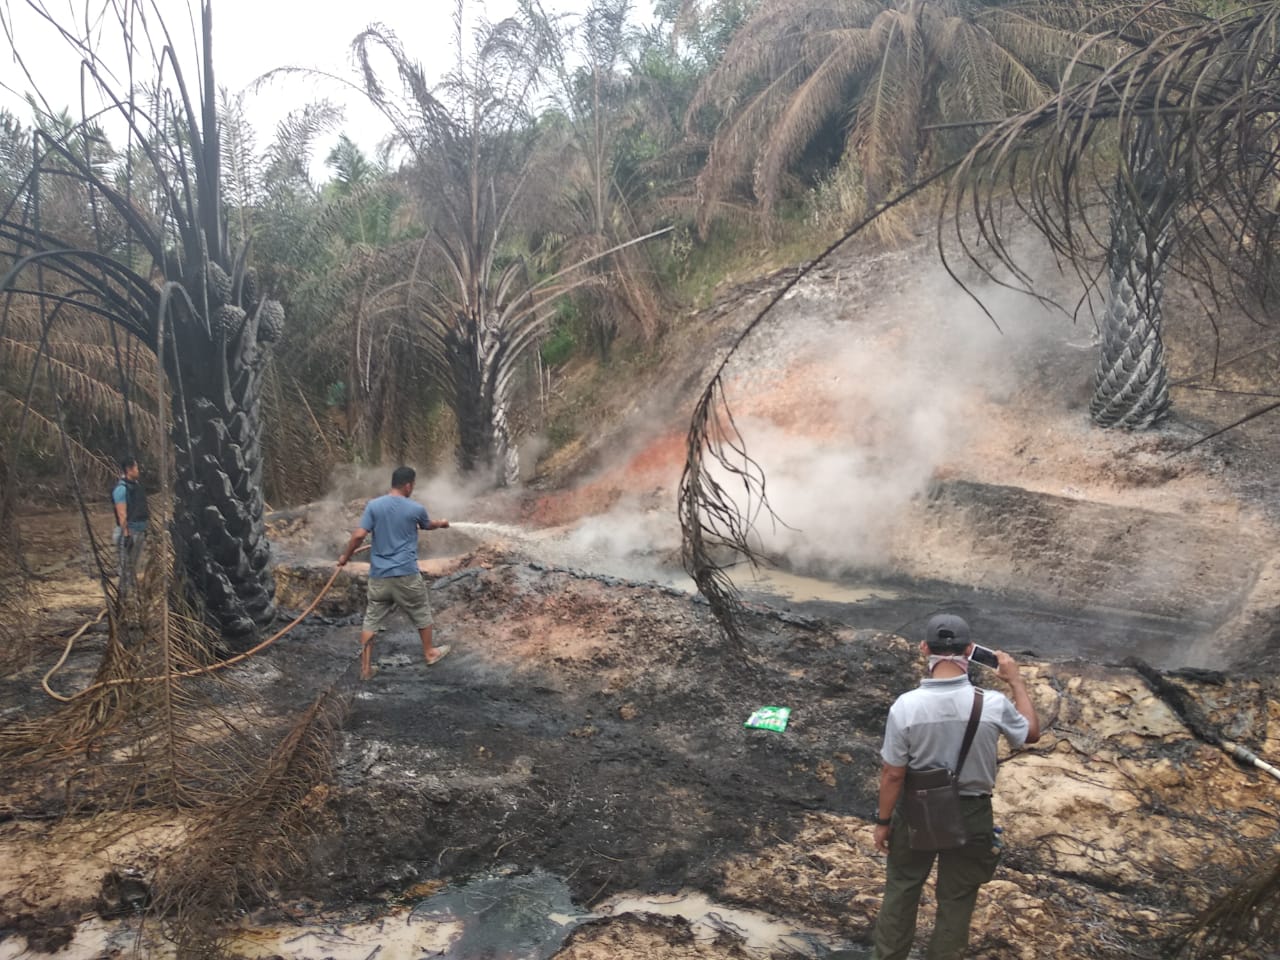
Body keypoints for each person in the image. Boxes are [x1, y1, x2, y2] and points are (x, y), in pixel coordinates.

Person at [870, 613, 1040, 960]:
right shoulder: (992, 703)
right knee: (957, 900)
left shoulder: (906, 707)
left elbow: (892, 775)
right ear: (969, 651)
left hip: (917, 809)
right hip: (973, 812)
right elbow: (1030, 733)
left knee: (902, 890)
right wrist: (1016, 682)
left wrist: (884, 822)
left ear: (923, 649)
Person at [338, 466, 451, 681]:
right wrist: (442, 524)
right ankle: (429, 652)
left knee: (371, 620)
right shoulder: (415, 508)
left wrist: (345, 557)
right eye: (413, 485)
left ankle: (366, 669)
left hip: (379, 576)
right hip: (406, 574)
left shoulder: (373, 506)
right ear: (408, 485)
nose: (413, 488)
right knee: (420, 611)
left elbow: (358, 535)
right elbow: (428, 525)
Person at [111, 456, 149, 596]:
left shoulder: (136, 486)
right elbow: (122, 514)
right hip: (129, 533)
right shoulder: (121, 489)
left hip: (139, 531)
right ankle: (123, 596)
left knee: (133, 566)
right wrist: (127, 535)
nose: (138, 470)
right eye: (136, 467)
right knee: (126, 567)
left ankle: (132, 595)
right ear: (129, 469)